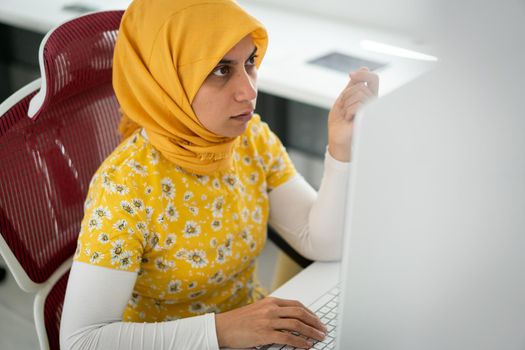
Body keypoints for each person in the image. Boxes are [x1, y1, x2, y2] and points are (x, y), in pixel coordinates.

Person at [60, 0, 379, 349]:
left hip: (257, 335)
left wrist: (340, 147)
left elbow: (321, 242)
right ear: (166, 81)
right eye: (221, 70)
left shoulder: (249, 139)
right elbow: (81, 341)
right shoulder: (125, 187)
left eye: (250, 63)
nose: (249, 91)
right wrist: (222, 330)